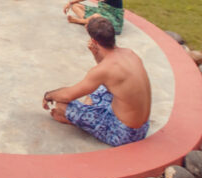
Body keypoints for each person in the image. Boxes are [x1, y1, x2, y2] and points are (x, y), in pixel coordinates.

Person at [42, 16, 151, 146]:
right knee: (99, 88)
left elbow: (68, 95)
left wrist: (48, 95)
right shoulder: (130, 54)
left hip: (123, 133)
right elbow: (108, 76)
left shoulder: (104, 69)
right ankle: (88, 113)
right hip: (141, 128)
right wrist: (96, 54)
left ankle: (79, 120)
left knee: (60, 105)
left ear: (93, 40)